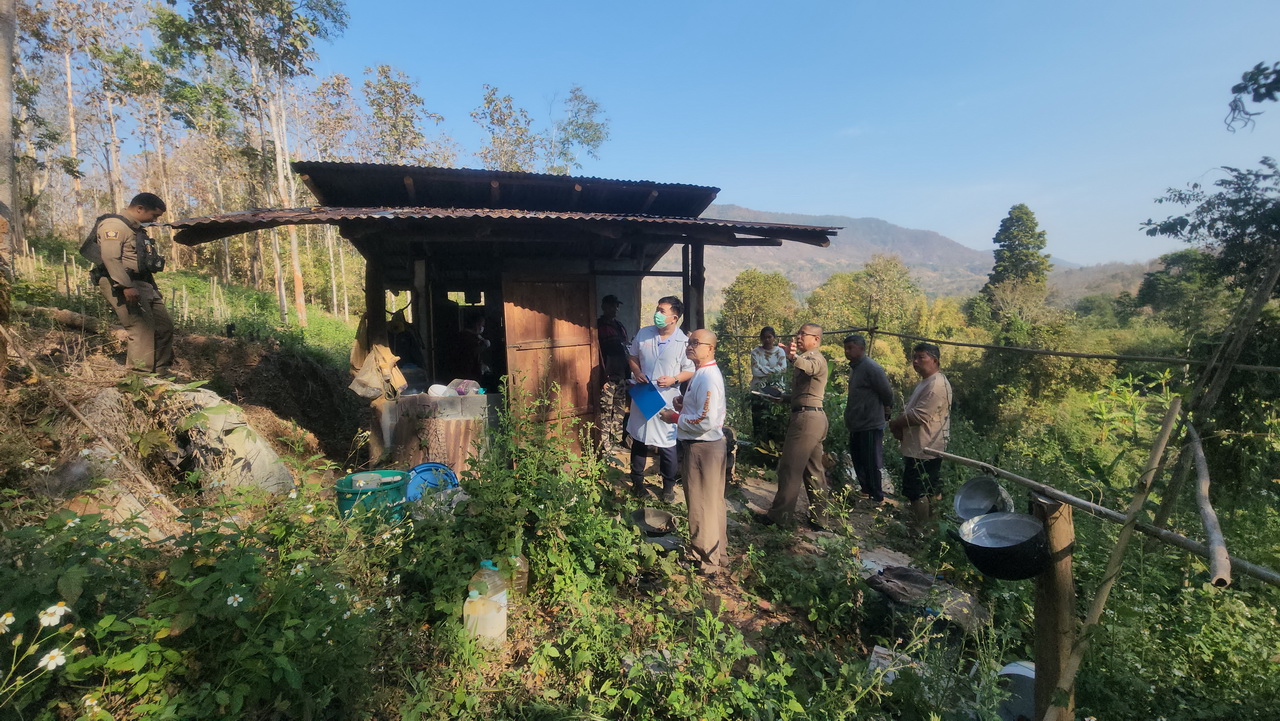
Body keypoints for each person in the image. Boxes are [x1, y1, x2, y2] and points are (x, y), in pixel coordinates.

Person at [658, 328, 727, 575]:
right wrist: (683, 405)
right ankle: (719, 554)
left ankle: (705, 560)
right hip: (707, 446)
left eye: (696, 343)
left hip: (702, 448)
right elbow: (702, 410)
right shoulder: (702, 372)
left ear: (710, 348)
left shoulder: (707, 377)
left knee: (700, 505)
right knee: (713, 502)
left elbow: (705, 420)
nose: (690, 346)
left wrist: (675, 417)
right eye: (689, 342)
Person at [87, 192, 174, 376]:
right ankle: (139, 376)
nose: (155, 220)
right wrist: (126, 286)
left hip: (142, 283)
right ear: (140, 209)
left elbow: (140, 262)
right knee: (140, 328)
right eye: (154, 215)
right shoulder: (114, 225)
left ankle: (161, 372)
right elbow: (110, 258)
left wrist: (154, 289)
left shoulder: (135, 229)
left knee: (164, 326)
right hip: (121, 282)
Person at [758, 323, 833, 529]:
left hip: (807, 420)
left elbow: (810, 368)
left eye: (803, 334)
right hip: (812, 417)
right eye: (798, 333)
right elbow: (805, 393)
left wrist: (792, 358)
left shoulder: (815, 359)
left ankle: (779, 518)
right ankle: (820, 519)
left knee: (790, 468)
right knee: (814, 470)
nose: (798, 337)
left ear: (816, 339)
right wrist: (783, 398)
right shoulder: (807, 358)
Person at [626, 296, 695, 502]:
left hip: (667, 398)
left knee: (667, 443)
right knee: (639, 438)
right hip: (644, 393)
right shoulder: (644, 333)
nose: (657, 314)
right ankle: (637, 482)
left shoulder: (683, 342)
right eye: (657, 309)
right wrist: (637, 371)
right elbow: (632, 356)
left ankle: (668, 487)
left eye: (662, 311)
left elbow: (689, 369)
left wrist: (674, 379)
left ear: (674, 318)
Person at [888, 342, 953, 533]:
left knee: (917, 490)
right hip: (920, 445)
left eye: (921, 357)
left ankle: (921, 530)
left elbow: (919, 416)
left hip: (926, 446)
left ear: (935, 360)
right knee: (928, 488)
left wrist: (896, 423)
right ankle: (930, 528)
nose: (915, 361)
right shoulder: (928, 381)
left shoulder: (936, 385)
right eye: (914, 358)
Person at [843, 334, 894, 505]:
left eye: (850, 348)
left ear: (861, 348)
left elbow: (887, 393)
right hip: (857, 423)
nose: (847, 351)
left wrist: (887, 410)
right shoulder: (856, 368)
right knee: (858, 459)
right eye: (845, 348)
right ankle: (865, 491)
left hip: (870, 423)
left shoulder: (872, 368)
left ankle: (877, 497)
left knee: (871, 461)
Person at [596, 294, 630, 453]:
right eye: (611, 306)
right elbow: (596, 353)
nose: (614, 309)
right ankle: (605, 444)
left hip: (621, 375)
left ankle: (616, 442)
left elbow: (626, 349)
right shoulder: (598, 326)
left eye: (616, 306)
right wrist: (602, 377)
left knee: (619, 411)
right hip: (607, 377)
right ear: (603, 307)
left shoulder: (619, 326)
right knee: (605, 411)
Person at [749, 326, 787, 441]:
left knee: (775, 423)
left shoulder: (780, 352)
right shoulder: (755, 352)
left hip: (776, 390)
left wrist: (763, 368)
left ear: (774, 338)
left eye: (769, 337)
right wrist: (774, 370)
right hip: (758, 390)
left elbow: (783, 369)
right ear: (761, 339)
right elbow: (755, 371)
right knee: (758, 422)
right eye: (764, 337)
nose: (767, 340)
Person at [453, 311, 490, 381]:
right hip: (467, 372)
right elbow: (472, 352)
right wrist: (484, 346)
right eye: (480, 325)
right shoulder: (465, 337)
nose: (481, 328)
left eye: (483, 325)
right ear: (475, 324)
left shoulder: (476, 337)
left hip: (473, 371)